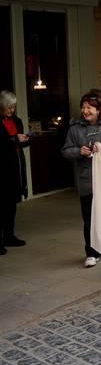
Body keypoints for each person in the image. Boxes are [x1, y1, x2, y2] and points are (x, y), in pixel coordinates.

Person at [61, 91, 101, 267]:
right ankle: (91, 252)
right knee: (89, 218)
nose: (85, 111)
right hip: (87, 180)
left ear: (99, 109)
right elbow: (65, 150)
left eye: (89, 107)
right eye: (83, 107)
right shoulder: (75, 128)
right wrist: (78, 152)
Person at [0, 91, 29, 254]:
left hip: (15, 165)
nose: (12, 110)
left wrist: (25, 139)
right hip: (2, 167)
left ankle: (9, 236)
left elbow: (20, 143)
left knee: (11, 203)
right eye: (9, 107)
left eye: (13, 107)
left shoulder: (17, 121)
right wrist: (15, 140)